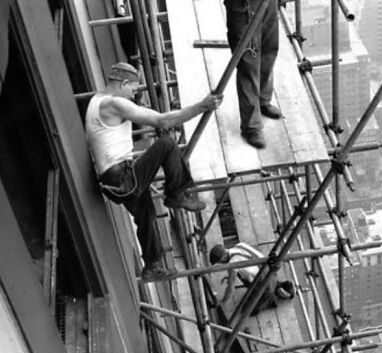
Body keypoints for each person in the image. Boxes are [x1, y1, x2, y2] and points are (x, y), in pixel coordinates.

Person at [85, 62, 222, 282]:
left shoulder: (95, 102)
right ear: (124, 83)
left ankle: (153, 266)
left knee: (146, 216)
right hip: (121, 177)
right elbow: (162, 120)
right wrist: (202, 106)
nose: (133, 95)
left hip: (114, 182)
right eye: (133, 89)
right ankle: (176, 194)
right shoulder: (114, 103)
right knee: (167, 143)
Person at [225, 0, 282, 150]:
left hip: (267, 3)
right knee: (248, 64)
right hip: (243, 6)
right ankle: (251, 126)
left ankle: (262, 100)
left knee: (269, 49)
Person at [209, 243, 294, 315]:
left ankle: (271, 298)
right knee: (250, 279)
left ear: (223, 257)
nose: (221, 263)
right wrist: (231, 276)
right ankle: (277, 285)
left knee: (247, 311)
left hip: (263, 284)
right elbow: (248, 261)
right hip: (270, 270)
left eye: (220, 261)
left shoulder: (232, 264)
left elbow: (231, 288)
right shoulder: (239, 245)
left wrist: (223, 301)